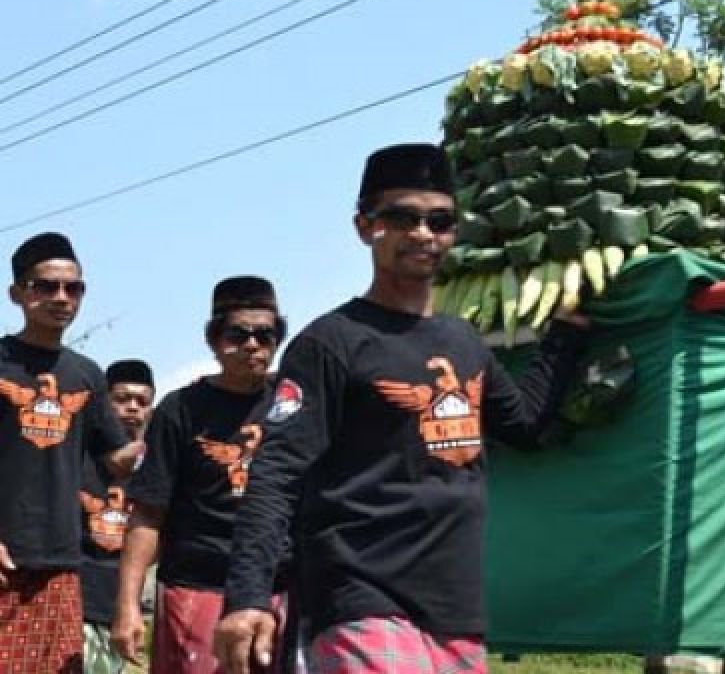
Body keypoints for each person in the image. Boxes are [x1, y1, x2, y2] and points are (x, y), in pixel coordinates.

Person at [214, 142, 589, 674]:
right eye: (403, 217)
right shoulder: (331, 343)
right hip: (361, 596)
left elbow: (525, 424)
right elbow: (276, 471)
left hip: (455, 604)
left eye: (440, 221)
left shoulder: (464, 343)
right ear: (365, 227)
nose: (423, 234)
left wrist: (566, 338)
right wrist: (248, 595)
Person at [113, 277, 289, 672]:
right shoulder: (181, 410)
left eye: (265, 335)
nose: (252, 345)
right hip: (199, 588)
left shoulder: (292, 407)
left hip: (278, 588)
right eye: (238, 334)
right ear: (213, 340)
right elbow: (147, 514)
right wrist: (127, 607)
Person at [0, 231, 143, 673]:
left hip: (62, 560)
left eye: (73, 288)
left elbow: (118, 458)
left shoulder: (87, 375)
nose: (62, 298)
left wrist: (182, 426)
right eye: (47, 286)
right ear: (17, 293)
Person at [81, 359, 156, 674]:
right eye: (122, 399)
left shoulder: (158, 471)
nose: (133, 409)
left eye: (142, 401)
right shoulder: (74, 458)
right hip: (74, 603)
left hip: (129, 608)